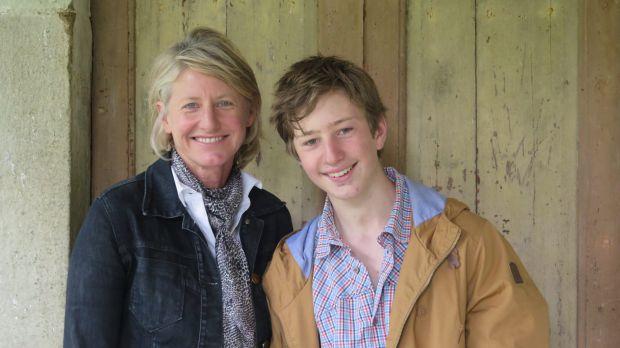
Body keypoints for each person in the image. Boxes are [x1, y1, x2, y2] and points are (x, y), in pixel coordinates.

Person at [264, 56, 549, 347]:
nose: (332, 155)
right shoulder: (290, 271)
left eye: (344, 130)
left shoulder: (468, 242)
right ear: (298, 156)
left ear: (378, 132)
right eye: (311, 141)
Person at [64, 27, 292, 347]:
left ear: (250, 112)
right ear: (165, 117)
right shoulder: (117, 217)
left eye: (225, 103)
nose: (209, 122)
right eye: (190, 106)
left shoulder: (272, 217)